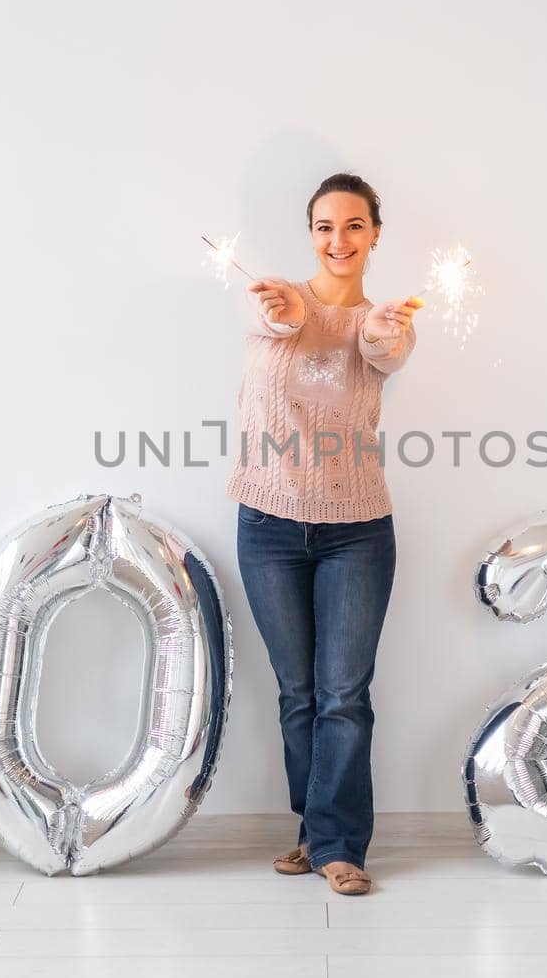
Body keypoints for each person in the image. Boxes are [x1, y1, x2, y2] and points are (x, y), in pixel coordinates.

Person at [225, 172, 421, 896]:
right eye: (324, 226)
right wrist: (281, 312)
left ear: (374, 234)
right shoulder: (273, 300)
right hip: (268, 524)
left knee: (344, 694)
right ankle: (311, 829)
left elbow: (380, 350)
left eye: (352, 226)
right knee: (297, 693)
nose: (337, 240)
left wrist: (381, 330)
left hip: (357, 531)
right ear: (311, 234)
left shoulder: (389, 321)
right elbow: (276, 327)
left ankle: (340, 846)